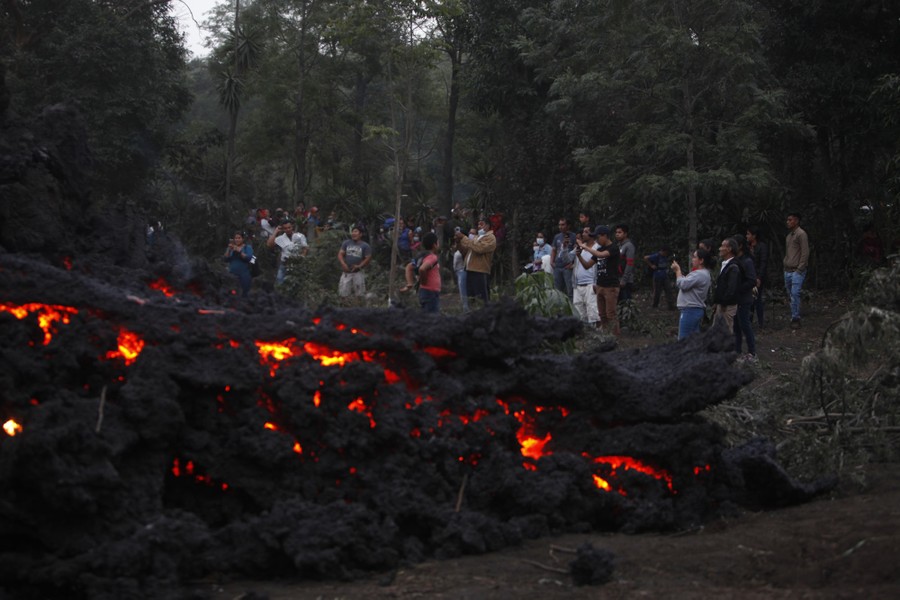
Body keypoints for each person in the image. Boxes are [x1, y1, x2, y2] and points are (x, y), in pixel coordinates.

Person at [586, 225, 621, 335]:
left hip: (611, 286)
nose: (596, 240)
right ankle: (606, 336)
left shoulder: (613, 248)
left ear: (605, 236)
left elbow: (601, 255)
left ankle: (615, 337)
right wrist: (579, 256)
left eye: (597, 237)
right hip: (600, 285)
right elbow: (587, 265)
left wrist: (586, 247)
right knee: (602, 315)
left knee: (611, 313)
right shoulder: (599, 249)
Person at [672, 249, 713, 340]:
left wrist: (677, 271)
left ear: (701, 260)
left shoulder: (699, 274)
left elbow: (682, 284)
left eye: (694, 257)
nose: (692, 259)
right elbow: (685, 282)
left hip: (690, 310)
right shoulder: (702, 273)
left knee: (684, 340)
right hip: (694, 310)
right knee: (694, 341)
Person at [455, 217, 496, 306]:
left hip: (480, 271)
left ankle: (485, 316)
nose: (479, 226)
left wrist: (464, 238)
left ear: (488, 226)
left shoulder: (491, 238)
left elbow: (480, 248)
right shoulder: (476, 237)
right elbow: (464, 250)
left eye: (482, 224)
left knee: (481, 298)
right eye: (478, 224)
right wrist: (458, 242)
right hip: (469, 269)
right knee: (471, 297)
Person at [783, 212, 809, 329]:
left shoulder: (801, 234)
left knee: (795, 293)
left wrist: (800, 268)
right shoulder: (789, 236)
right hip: (788, 269)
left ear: (796, 221)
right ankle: (794, 314)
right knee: (791, 294)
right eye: (787, 220)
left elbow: (805, 252)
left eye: (790, 220)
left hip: (797, 270)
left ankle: (795, 318)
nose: (788, 222)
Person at [733, 236, 758, 362]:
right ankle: (737, 351)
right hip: (737, 299)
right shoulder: (736, 260)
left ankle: (752, 352)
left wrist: (738, 288)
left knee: (745, 324)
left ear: (740, 246)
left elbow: (752, 280)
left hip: (744, 299)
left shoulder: (747, 261)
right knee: (736, 326)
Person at [570, 228, 600, 327]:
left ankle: (597, 334)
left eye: (586, 232)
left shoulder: (597, 248)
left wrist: (597, 283)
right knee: (579, 311)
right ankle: (583, 334)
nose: (583, 234)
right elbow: (565, 259)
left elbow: (600, 267)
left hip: (591, 284)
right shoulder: (579, 247)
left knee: (593, 310)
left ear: (592, 234)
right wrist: (564, 247)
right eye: (583, 232)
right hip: (578, 284)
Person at [267, 220, 308, 284]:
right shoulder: (281, 238)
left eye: (289, 227)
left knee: (296, 282)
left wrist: (302, 257)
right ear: (283, 229)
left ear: (292, 227)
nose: (288, 229)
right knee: (279, 282)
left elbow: (305, 247)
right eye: (285, 228)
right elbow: (269, 244)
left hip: (296, 263)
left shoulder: (300, 236)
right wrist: (275, 231)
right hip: (284, 264)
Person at [713, 237, 741, 330]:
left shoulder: (733, 267)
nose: (720, 248)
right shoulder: (725, 264)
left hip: (727, 306)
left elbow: (731, 287)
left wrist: (724, 302)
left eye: (722, 246)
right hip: (722, 304)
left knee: (726, 331)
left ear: (729, 249)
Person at [338, 226, 372, 299]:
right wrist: (343, 264)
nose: (353, 233)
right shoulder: (346, 243)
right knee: (343, 294)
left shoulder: (365, 246)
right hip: (346, 272)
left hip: (358, 272)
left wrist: (359, 266)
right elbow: (340, 254)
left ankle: (358, 308)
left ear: (360, 234)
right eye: (353, 232)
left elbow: (368, 257)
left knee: (360, 294)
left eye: (356, 231)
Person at [746, 225, 769, 329]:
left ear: (754, 236)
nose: (747, 236)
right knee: (751, 298)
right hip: (750, 276)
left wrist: (759, 277)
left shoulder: (762, 246)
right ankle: (750, 321)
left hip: (758, 277)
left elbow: (763, 263)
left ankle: (760, 322)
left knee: (756, 298)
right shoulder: (748, 247)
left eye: (748, 234)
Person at [551, 218, 577, 299]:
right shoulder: (557, 237)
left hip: (567, 267)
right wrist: (552, 261)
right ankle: (559, 310)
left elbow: (577, 251)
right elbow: (554, 250)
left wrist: (572, 264)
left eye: (563, 224)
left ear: (568, 226)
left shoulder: (573, 236)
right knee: (557, 291)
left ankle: (571, 310)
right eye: (559, 225)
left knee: (570, 291)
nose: (560, 227)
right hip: (557, 266)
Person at [416, 232, 441, 313]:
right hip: (430, 292)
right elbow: (422, 269)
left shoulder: (423, 256)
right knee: (432, 319)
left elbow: (409, 267)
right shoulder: (432, 257)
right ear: (435, 245)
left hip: (426, 292)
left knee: (425, 318)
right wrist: (423, 281)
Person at [224, 231, 254, 297]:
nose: (237, 239)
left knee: (244, 294)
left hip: (244, 275)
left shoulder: (247, 247)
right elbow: (225, 259)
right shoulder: (232, 248)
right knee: (230, 294)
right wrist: (229, 249)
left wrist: (239, 251)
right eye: (236, 238)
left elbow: (249, 258)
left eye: (239, 238)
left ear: (243, 239)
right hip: (232, 274)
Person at [615, 224, 636, 301]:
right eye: (616, 232)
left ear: (625, 234)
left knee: (626, 303)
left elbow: (630, 263)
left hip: (626, 280)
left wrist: (624, 279)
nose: (617, 234)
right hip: (618, 278)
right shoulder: (618, 245)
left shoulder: (629, 246)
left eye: (620, 232)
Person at [452, 238, 469, 312]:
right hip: (466, 271)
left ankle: (465, 308)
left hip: (459, 272)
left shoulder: (457, 253)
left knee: (462, 291)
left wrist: (455, 270)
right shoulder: (467, 251)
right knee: (466, 290)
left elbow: (454, 265)